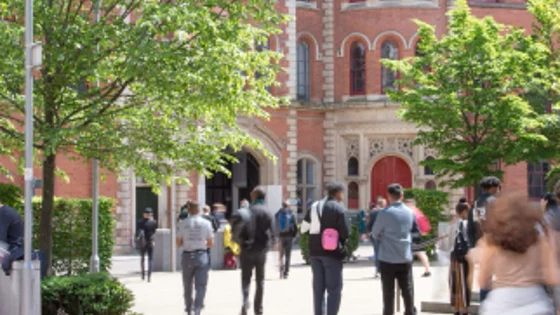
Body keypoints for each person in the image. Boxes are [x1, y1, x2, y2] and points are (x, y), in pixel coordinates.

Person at [478, 191, 558, 315]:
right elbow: (553, 278)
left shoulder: (491, 242)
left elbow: (482, 281)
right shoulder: (539, 240)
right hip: (536, 304)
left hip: (499, 305)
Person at [372, 183, 421, 315]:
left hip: (387, 257)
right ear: (402, 195)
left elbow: (375, 233)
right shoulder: (410, 213)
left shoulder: (384, 213)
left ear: (388, 196)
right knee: (407, 289)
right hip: (404, 256)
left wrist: (384, 235)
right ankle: (410, 312)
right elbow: (415, 232)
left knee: (388, 292)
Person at [301, 182, 349, 315]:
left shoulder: (314, 206)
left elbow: (304, 228)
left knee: (318, 289)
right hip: (332, 252)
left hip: (314, 251)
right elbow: (346, 232)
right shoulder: (339, 208)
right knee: (334, 289)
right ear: (339, 193)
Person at [234, 186, 276, 315]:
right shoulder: (267, 212)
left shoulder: (246, 211)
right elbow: (273, 232)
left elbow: (237, 230)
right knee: (260, 280)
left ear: (255, 196)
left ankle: (245, 302)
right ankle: (259, 309)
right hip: (261, 250)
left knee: (246, 279)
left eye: (252, 193)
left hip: (246, 249)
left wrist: (238, 243)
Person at [176, 201, 214, 315]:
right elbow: (211, 243)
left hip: (187, 255)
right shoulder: (206, 223)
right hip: (202, 255)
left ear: (188, 210)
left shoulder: (182, 224)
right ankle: (197, 309)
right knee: (201, 285)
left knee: (187, 285)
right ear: (199, 210)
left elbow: (178, 243)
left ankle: (188, 309)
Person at [467, 176, 501, 302]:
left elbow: (470, 229)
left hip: (481, 245)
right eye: (498, 188)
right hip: (496, 245)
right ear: (493, 188)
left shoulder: (474, 205)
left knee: (485, 278)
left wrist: (473, 246)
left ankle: (485, 305)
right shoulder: (496, 203)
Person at [449, 198, 473, 315]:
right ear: (464, 211)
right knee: (464, 282)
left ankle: (455, 308)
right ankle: (464, 309)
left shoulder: (452, 222)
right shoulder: (465, 223)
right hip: (464, 256)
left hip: (454, 256)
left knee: (454, 282)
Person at [404, 199, 432, 277]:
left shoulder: (410, 212)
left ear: (410, 204)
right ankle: (427, 270)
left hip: (412, 235)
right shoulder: (418, 211)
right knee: (421, 253)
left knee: (410, 253)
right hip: (419, 234)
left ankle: (407, 271)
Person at [275, 200, 298, 279]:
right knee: (288, 255)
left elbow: (274, 225)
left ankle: (281, 270)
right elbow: (295, 225)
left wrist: (276, 236)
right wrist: (294, 235)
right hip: (289, 236)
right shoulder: (291, 213)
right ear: (288, 205)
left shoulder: (277, 213)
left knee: (281, 255)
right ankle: (286, 272)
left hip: (280, 236)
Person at [366, 196, 386, 278]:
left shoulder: (374, 212)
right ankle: (384, 270)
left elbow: (369, 224)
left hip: (376, 235)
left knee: (377, 253)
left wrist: (369, 232)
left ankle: (378, 270)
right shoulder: (387, 212)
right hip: (385, 236)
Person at [136, 208, 157, 282]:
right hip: (150, 241)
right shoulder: (153, 222)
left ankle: (142, 275)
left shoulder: (140, 222)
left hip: (142, 242)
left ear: (144, 214)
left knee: (142, 259)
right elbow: (154, 231)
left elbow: (137, 231)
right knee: (150, 259)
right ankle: (149, 276)